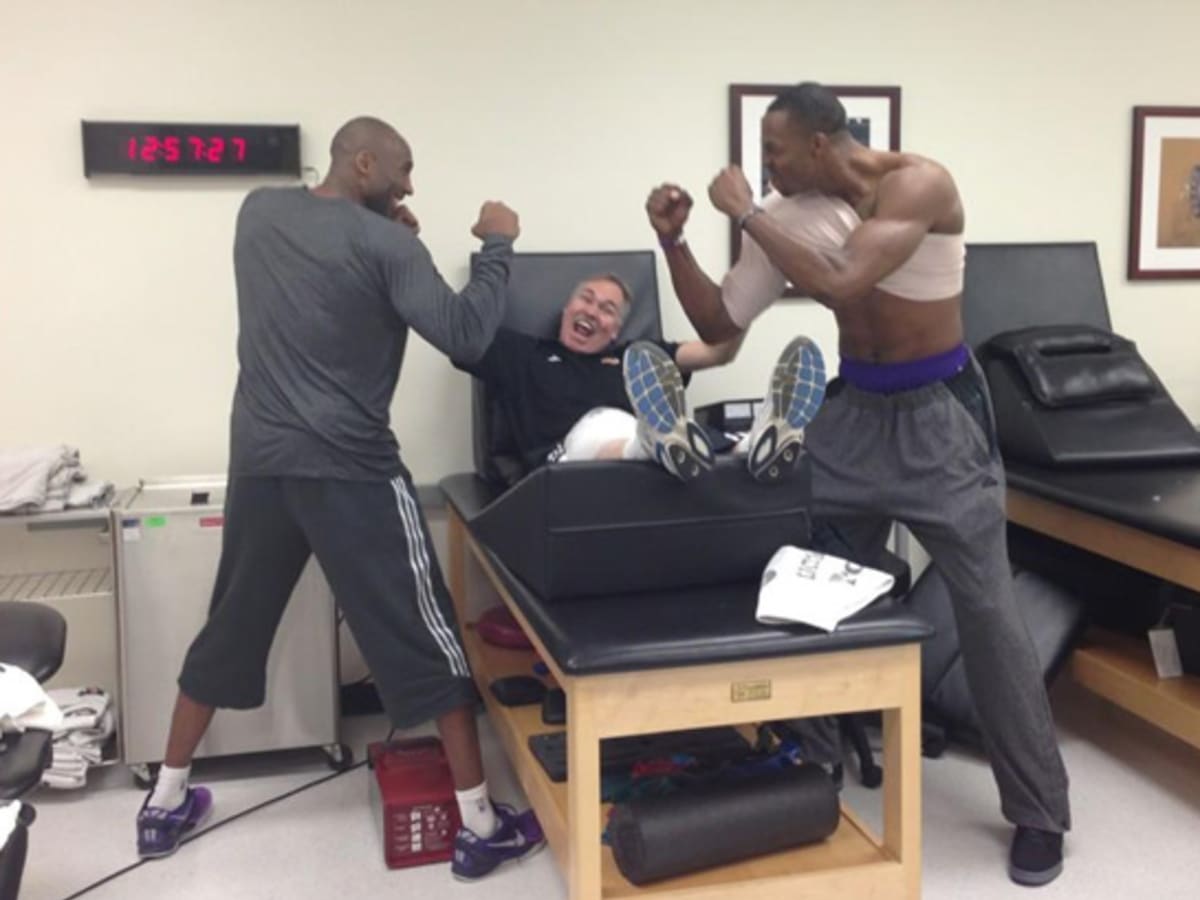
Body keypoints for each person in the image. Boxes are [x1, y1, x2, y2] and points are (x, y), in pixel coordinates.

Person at [643, 82, 1070, 887]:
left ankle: (1040, 812)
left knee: (990, 619)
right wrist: (674, 244)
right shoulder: (784, 216)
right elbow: (717, 324)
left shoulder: (920, 184)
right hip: (854, 418)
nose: (763, 168)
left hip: (940, 416)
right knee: (804, 585)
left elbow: (842, 281)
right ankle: (813, 770)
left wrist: (745, 212)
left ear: (818, 142)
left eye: (773, 151)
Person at [134, 116, 543, 882]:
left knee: (229, 623)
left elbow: (327, 275)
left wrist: (382, 222)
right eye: (405, 169)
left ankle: (164, 802)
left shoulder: (256, 212)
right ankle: (482, 825)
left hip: (260, 466)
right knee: (431, 638)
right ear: (364, 163)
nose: (413, 185)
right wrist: (495, 246)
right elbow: (467, 336)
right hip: (353, 470)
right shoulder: (390, 247)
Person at [452, 274, 827, 483]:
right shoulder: (523, 354)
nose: (593, 311)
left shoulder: (638, 356)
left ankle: (758, 440)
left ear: (616, 329)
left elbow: (718, 352)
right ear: (567, 308)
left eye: (607, 309)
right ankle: (656, 442)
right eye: (586, 299)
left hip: (647, 468)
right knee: (614, 426)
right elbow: (457, 330)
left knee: (714, 447)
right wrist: (495, 243)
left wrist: (751, 294)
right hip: (564, 468)